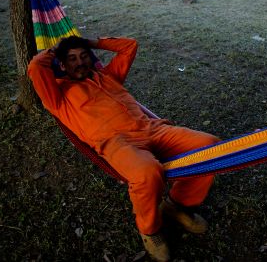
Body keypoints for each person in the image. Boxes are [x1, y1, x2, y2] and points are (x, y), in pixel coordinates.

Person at [27, 35, 220, 262]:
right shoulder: (58, 96)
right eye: (71, 59)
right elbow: (35, 67)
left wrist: (92, 42)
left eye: (83, 56)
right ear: (62, 65)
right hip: (118, 143)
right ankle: (150, 231)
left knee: (209, 146)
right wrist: (57, 48)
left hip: (153, 129)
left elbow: (129, 46)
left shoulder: (108, 76)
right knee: (146, 173)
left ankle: (177, 205)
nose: (79, 62)